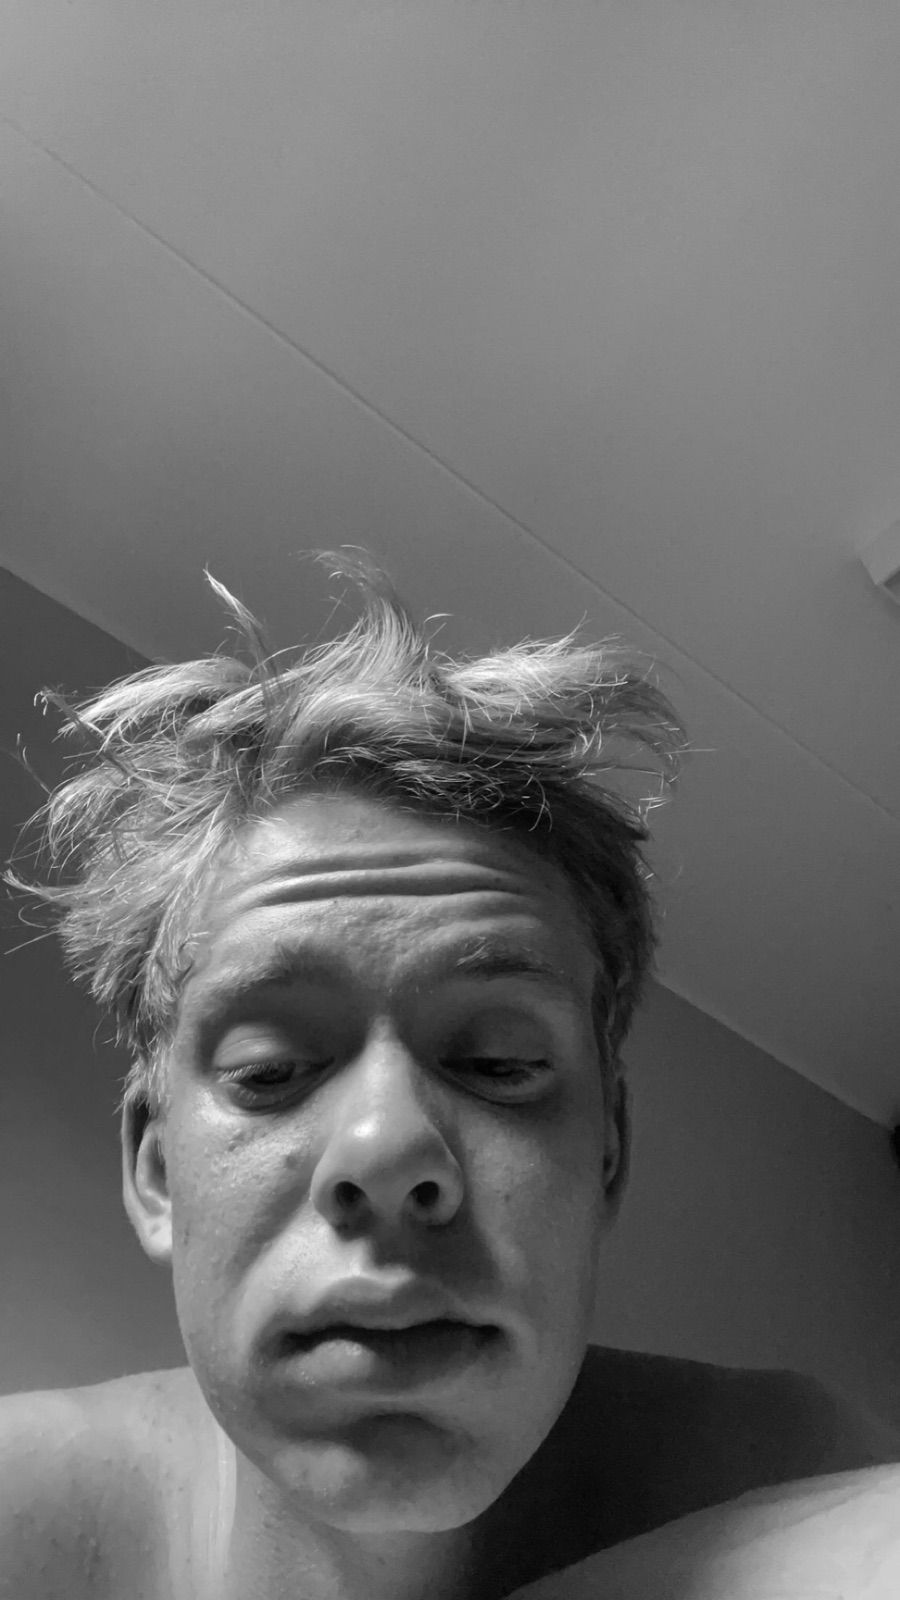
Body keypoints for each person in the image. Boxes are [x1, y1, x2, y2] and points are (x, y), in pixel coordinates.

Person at [1, 550, 897, 1600]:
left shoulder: (789, 1472)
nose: (387, 1148)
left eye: (498, 1063)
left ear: (607, 1155)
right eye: (271, 1069)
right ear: (156, 1169)